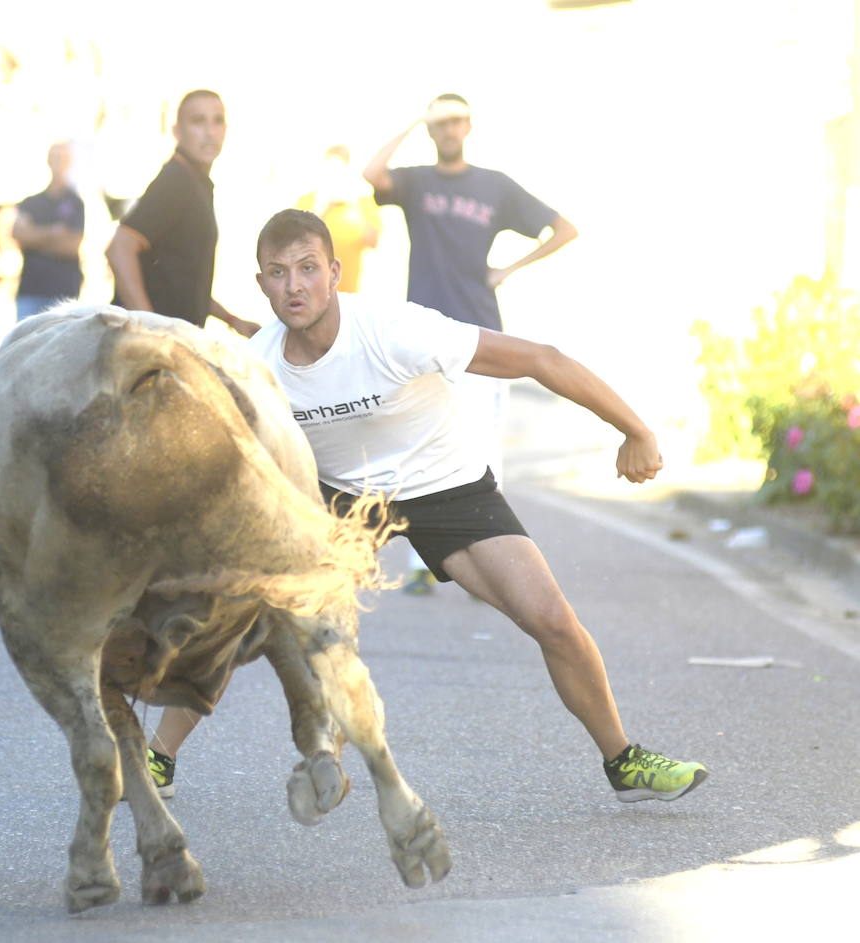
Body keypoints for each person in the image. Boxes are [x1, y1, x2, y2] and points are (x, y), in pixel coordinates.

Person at [146, 209, 707, 805]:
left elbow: (541, 358)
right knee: (237, 611)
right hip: (340, 496)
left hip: (446, 484)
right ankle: (157, 757)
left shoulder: (395, 330)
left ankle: (623, 760)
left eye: (308, 269)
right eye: (278, 273)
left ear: (334, 272)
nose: (295, 286)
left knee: (553, 623)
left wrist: (636, 431)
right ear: (260, 284)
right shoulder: (258, 365)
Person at [363, 94, 578, 594]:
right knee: (419, 445)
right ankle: (423, 569)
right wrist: (414, 118)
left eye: (455, 121)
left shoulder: (494, 186)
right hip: (421, 335)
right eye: (439, 124)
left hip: (481, 331)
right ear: (431, 130)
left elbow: (564, 229)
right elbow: (373, 173)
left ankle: (499, 571)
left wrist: (508, 270)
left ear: (469, 125)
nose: (447, 130)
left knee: (483, 452)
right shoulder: (417, 181)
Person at [106, 89, 257, 338]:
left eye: (217, 121)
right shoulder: (176, 181)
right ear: (177, 131)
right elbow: (119, 248)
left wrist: (231, 319)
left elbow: (181, 280)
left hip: (173, 345)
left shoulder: (196, 183)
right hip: (145, 353)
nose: (209, 132)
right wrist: (152, 329)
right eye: (198, 121)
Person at [294, 145, 380, 295]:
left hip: (348, 292)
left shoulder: (361, 200)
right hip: (310, 291)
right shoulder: (309, 200)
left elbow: (372, 241)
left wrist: (356, 203)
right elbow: (295, 241)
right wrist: (324, 206)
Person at [12, 141, 84, 320]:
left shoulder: (75, 202)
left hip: (63, 294)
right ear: (48, 161)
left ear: (69, 162)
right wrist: (53, 233)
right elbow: (19, 236)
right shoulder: (31, 202)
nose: (58, 162)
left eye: (62, 158)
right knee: (25, 345)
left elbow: (71, 247)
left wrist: (35, 237)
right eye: (55, 157)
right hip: (31, 289)